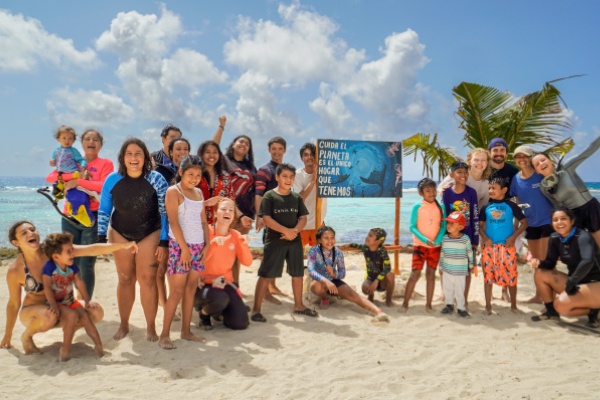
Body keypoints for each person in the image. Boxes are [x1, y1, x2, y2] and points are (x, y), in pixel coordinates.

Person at [1, 221, 136, 356]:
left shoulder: (53, 250)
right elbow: (13, 304)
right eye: (24, 233)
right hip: (34, 312)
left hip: (61, 307)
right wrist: (8, 335)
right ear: (16, 242)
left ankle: (69, 330)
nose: (31, 233)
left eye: (32, 229)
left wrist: (123, 246)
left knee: (96, 311)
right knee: (49, 315)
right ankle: (26, 337)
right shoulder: (16, 270)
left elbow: (90, 249)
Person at [98, 138, 169, 341]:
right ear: (122, 158)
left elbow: (165, 213)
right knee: (126, 278)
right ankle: (124, 325)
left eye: (138, 153)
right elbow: (104, 210)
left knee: (147, 279)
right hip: (120, 232)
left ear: (145, 157)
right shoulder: (112, 179)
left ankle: (150, 328)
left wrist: (164, 241)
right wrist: (101, 238)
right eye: (129, 153)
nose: (133, 158)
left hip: (150, 232)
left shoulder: (157, 179)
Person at [45, 129, 114, 299]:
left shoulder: (105, 163)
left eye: (96, 139)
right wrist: (73, 174)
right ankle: (70, 300)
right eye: (87, 138)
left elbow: (103, 186)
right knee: (68, 260)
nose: (91, 141)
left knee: (87, 263)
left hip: (92, 215)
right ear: (81, 143)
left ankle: (86, 303)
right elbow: (51, 178)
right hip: (69, 215)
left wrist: (77, 181)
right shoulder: (71, 162)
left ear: (100, 144)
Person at [250, 163, 317, 322]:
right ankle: (256, 310)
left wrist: (294, 231)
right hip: (274, 241)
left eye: (291, 177)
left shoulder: (296, 197)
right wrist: (285, 231)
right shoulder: (269, 196)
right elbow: (267, 218)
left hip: (294, 240)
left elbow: (303, 217)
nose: (288, 180)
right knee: (266, 274)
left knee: (298, 273)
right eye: (285, 176)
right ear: (277, 177)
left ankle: (299, 305)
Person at [159, 156, 209, 349]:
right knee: (177, 292)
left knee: (190, 290)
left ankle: (186, 331)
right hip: (180, 248)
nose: (194, 178)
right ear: (180, 172)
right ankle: (164, 335)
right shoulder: (174, 191)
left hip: (198, 247)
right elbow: (173, 222)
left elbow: (203, 221)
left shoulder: (198, 193)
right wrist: (185, 250)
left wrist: (208, 245)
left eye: (198, 175)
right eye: (190, 174)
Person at [530, 206, 600, 326]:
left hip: (595, 283)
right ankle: (551, 312)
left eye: (563, 218)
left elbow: (587, 261)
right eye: (555, 220)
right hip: (576, 283)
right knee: (540, 273)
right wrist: (539, 262)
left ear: (572, 221)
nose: (559, 222)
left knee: (561, 305)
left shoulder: (583, 236)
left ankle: (595, 312)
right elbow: (550, 263)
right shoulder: (555, 238)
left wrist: (572, 281)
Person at [41, 233, 104, 360]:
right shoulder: (49, 267)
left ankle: (99, 346)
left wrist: (87, 300)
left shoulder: (72, 267)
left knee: (86, 316)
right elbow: (47, 287)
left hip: (70, 301)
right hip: (57, 303)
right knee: (72, 316)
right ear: (56, 256)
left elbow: (80, 282)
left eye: (72, 250)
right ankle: (65, 348)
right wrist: (53, 304)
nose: (73, 254)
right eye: (68, 252)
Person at [308, 226, 389, 322]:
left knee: (353, 296)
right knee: (315, 286)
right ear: (319, 240)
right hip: (319, 281)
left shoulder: (338, 252)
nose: (330, 241)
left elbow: (342, 273)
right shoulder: (314, 251)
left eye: (332, 237)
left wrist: (334, 275)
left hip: (334, 281)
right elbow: (311, 270)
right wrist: (325, 280)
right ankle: (325, 297)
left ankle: (379, 312)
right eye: (326, 238)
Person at [532, 135, 600, 248]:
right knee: (580, 251)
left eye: (543, 160)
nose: (541, 164)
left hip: (590, 208)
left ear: (550, 160)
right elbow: (557, 206)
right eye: (537, 164)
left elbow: (589, 150)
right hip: (573, 217)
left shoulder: (567, 168)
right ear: (536, 171)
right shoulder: (544, 187)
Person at [211, 116, 257, 285]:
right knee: (218, 252)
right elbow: (212, 147)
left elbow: (256, 193)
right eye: (241, 141)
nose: (243, 145)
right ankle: (217, 286)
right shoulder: (223, 161)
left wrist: (257, 216)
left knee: (236, 255)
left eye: (247, 144)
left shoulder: (251, 168)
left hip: (243, 217)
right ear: (233, 144)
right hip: (224, 214)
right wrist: (221, 126)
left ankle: (234, 287)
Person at [197, 198, 253, 330]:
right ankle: (203, 313)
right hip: (203, 284)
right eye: (223, 209)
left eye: (231, 210)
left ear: (234, 215)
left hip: (225, 283)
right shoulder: (206, 232)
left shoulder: (235, 235)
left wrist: (244, 245)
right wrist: (214, 245)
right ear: (215, 213)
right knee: (220, 298)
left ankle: (219, 312)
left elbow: (248, 262)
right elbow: (198, 262)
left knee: (240, 323)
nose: (227, 212)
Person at [509, 145, 554, 303]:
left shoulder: (540, 174)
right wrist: (517, 222)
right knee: (535, 261)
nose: (521, 159)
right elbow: (518, 202)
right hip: (531, 224)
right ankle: (538, 295)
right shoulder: (516, 179)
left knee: (546, 261)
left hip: (548, 221)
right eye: (518, 156)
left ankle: (550, 297)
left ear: (530, 157)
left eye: (525, 156)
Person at [479, 177, 528, 314]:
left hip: (507, 248)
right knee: (488, 277)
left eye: (494, 188)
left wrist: (513, 237)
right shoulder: (486, 207)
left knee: (511, 277)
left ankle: (513, 306)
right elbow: (480, 226)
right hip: (489, 248)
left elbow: (524, 223)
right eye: (489, 188)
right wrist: (485, 238)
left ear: (504, 190)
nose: (490, 190)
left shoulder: (511, 206)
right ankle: (488, 306)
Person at [155, 137, 191, 310]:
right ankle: (165, 304)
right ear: (170, 152)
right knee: (162, 267)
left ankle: (176, 303)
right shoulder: (161, 172)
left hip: (185, 229)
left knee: (180, 267)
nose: (182, 153)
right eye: (178, 149)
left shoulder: (192, 174)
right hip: (164, 227)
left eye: (185, 149)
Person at [401, 178, 446, 312]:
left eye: (433, 190)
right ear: (421, 193)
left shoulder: (441, 207)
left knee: (431, 275)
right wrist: (425, 240)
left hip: (435, 247)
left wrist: (437, 240)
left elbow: (443, 226)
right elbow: (412, 227)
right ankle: (405, 303)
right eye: (428, 191)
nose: (431, 193)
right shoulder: (417, 206)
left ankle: (428, 305)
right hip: (420, 246)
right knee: (415, 274)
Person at [254, 136, 288, 301]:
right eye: (273, 149)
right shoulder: (264, 170)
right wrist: (260, 216)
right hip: (270, 220)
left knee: (278, 255)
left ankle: (272, 286)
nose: (276, 152)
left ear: (284, 150)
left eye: (279, 149)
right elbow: (258, 195)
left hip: (284, 220)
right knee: (269, 255)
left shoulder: (286, 170)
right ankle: (265, 291)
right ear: (269, 150)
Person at [441, 161, 479, 307]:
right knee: (449, 269)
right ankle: (449, 299)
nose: (463, 175)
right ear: (452, 175)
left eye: (465, 172)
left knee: (467, 270)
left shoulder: (471, 192)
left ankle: (464, 298)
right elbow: (445, 214)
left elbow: (474, 215)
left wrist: (475, 239)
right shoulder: (447, 193)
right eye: (459, 172)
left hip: (468, 236)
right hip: (451, 237)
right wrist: (445, 236)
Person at [47, 125, 95, 227]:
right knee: (61, 194)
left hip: (72, 173)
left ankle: (78, 211)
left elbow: (81, 160)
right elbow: (54, 161)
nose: (67, 141)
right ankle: (73, 210)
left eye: (70, 139)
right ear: (58, 139)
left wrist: (82, 166)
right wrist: (52, 162)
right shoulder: (56, 151)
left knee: (76, 194)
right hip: (61, 176)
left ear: (73, 140)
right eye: (64, 138)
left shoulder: (73, 151)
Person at [339, 228, 396, 307]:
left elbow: (387, 268)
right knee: (365, 288)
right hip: (370, 279)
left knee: (390, 275)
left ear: (377, 241)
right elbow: (357, 245)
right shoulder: (365, 248)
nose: (367, 237)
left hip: (382, 282)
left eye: (370, 236)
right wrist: (349, 244)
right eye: (368, 234)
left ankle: (388, 300)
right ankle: (371, 296)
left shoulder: (382, 251)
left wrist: (377, 281)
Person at [293, 142, 328, 248]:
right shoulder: (297, 175)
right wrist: (313, 181)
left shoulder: (324, 173)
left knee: (321, 256)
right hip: (302, 224)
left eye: (312, 154)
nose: (309, 157)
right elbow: (299, 198)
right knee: (297, 256)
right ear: (302, 158)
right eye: (306, 155)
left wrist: (328, 148)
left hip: (318, 223)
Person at [439, 212, 474, 318]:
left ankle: (461, 308)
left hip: (460, 271)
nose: (448, 225)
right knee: (447, 288)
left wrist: (471, 264)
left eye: (452, 223)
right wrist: (441, 266)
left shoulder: (465, 239)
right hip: (447, 270)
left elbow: (470, 252)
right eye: (448, 223)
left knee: (460, 290)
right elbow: (442, 253)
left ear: (461, 226)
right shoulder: (445, 238)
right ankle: (449, 305)